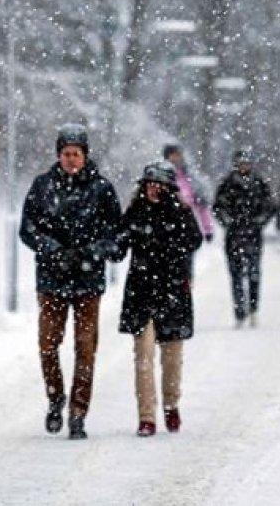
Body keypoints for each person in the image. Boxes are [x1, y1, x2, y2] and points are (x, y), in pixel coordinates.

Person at [19, 123, 122, 440]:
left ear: (86, 155)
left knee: (85, 348)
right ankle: (55, 397)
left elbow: (116, 236)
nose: (71, 159)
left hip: (88, 282)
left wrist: (92, 253)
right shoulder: (42, 186)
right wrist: (53, 250)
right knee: (48, 344)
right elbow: (28, 228)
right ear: (58, 155)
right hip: (51, 280)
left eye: (76, 153)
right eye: (66, 154)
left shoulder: (102, 189)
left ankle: (78, 413)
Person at [115, 162, 203, 437]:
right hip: (141, 293)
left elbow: (193, 240)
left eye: (160, 185)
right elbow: (119, 248)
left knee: (172, 357)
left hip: (173, 292)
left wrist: (171, 211)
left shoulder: (180, 213)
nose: (154, 189)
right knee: (144, 354)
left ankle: (171, 405)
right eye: (150, 184)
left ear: (169, 188)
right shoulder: (134, 213)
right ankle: (146, 416)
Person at [213, 150, 275, 327]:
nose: (244, 166)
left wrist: (259, 222)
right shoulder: (227, 184)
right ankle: (239, 312)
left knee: (254, 274)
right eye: (241, 163)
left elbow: (269, 207)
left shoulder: (259, 183)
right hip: (233, 236)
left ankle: (254, 309)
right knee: (236, 275)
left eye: (247, 163)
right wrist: (229, 222)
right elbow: (218, 208)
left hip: (253, 235)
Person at [163, 144, 215, 243]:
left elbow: (202, 207)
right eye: (173, 155)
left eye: (178, 154)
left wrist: (207, 229)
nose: (176, 158)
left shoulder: (190, 176)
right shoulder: (162, 176)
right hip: (166, 226)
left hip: (187, 225)